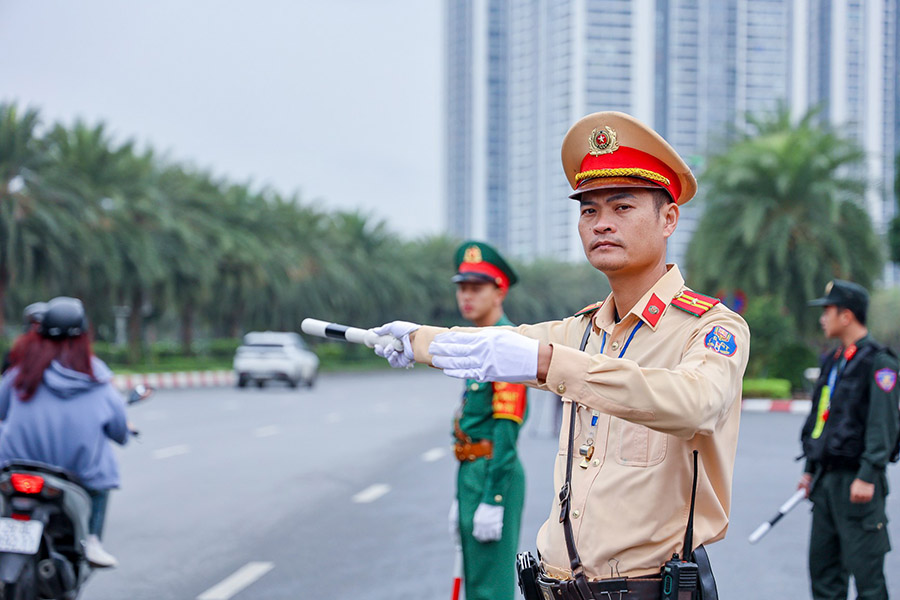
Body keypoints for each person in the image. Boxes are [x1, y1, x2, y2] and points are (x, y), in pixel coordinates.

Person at [373, 111, 749, 598]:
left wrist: (550, 363)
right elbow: (494, 342)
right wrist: (416, 339)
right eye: (589, 210)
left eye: (622, 207)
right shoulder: (584, 329)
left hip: (647, 589)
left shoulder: (712, 327)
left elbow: (696, 402)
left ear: (668, 218)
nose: (602, 224)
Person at [0, 296, 129, 568]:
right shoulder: (96, 379)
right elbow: (118, 431)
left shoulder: (20, 373)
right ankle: (92, 540)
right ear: (84, 335)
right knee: (102, 469)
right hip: (75, 476)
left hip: (14, 469)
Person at [799, 279, 899, 600]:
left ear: (847, 316)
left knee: (868, 581)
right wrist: (811, 469)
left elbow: (884, 424)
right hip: (827, 483)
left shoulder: (879, 363)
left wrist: (868, 474)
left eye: (828, 310)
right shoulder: (834, 360)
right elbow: (823, 421)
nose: (822, 318)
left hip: (858, 484)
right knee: (824, 574)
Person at [448, 240, 528, 600]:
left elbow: (506, 431)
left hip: (495, 471)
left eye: (476, 288)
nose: (466, 296)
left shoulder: (505, 343)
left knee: (490, 590)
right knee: (475, 584)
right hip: (471, 471)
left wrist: (494, 498)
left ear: (500, 292)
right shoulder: (481, 342)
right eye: (462, 288)